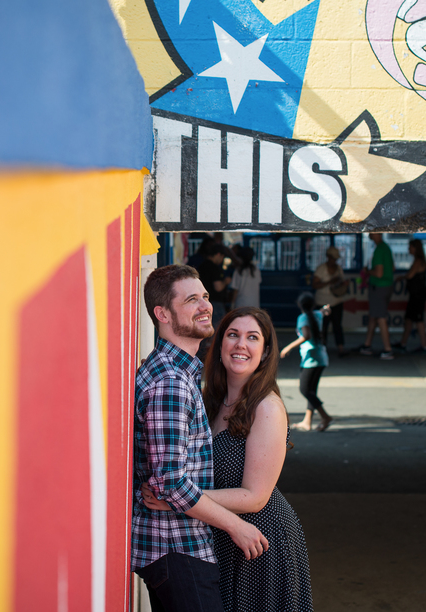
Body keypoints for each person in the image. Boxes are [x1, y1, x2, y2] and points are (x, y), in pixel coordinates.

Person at [143, 307, 313, 612]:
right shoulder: (207, 399)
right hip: (219, 533)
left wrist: (178, 499)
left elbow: (255, 496)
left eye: (252, 338)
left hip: (260, 540)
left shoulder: (267, 408)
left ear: (264, 353)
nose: (240, 345)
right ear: (220, 344)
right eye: (233, 335)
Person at [133, 265, 268, 612]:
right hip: (177, 549)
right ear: (162, 314)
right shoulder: (172, 382)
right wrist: (236, 526)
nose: (205, 306)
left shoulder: (180, 373)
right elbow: (171, 481)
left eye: (205, 296)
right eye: (192, 299)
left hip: (179, 549)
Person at [281, 293, 333, 432]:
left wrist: (288, 347)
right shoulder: (317, 314)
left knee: (304, 389)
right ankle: (307, 421)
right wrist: (326, 309)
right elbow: (323, 312)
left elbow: (306, 335)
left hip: (311, 359)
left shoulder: (303, 317)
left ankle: (325, 416)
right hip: (321, 356)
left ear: (299, 305)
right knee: (311, 390)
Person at [360, 233, 395, 359]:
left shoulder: (380, 249)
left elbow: (379, 273)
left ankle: (388, 349)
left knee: (380, 317)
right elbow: (393, 268)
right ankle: (367, 345)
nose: (369, 233)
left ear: (377, 233)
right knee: (374, 316)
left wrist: (367, 271)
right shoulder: (385, 247)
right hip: (386, 286)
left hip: (379, 287)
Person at [312, 246, 349, 356]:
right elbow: (315, 285)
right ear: (328, 257)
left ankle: (340, 348)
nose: (335, 260)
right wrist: (329, 282)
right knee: (323, 327)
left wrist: (344, 284)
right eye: (333, 258)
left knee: (337, 326)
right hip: (322, 302)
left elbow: (341, 282)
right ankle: (322, 349)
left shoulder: (338, 268)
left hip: (337, 301)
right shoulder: (321, 269)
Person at [395, 238, 426, 352]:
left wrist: (402, 277)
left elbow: (410, 275)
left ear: (415, 248)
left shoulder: (419, 260)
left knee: (418, 320)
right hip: (415, 294)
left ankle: (424, 345)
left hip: (418, 295)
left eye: (410, 247)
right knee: (409, 319)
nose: (408, 249)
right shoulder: (418, 260)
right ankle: (403, 343)